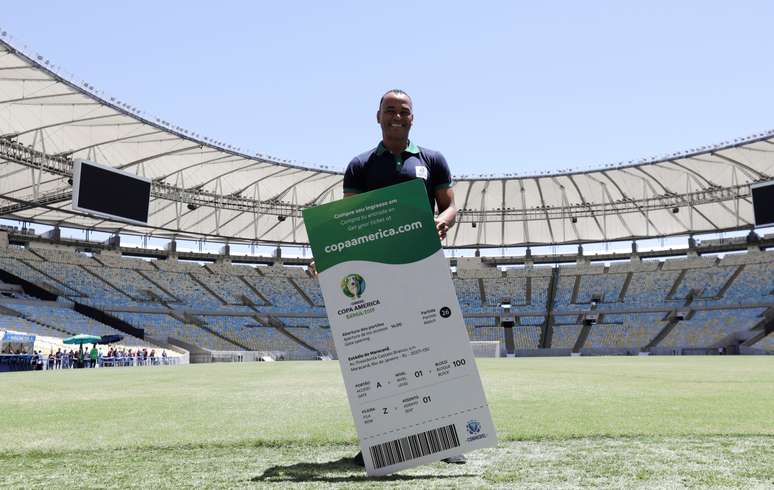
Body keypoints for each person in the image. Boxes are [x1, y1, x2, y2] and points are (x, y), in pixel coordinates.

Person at [342, 89, 464, 466]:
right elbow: (350, 224)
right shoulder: (359, 165)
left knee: (434, 353)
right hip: (377, 274)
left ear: (413, 118)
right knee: (380, 358)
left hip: (421, 266)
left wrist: (441, 222)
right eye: (390, 110)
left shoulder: (432, 160)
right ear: (377, 116)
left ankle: (447, 441)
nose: (397, 116)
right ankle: (377, 442)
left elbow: (450, 205)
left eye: (404, 111)